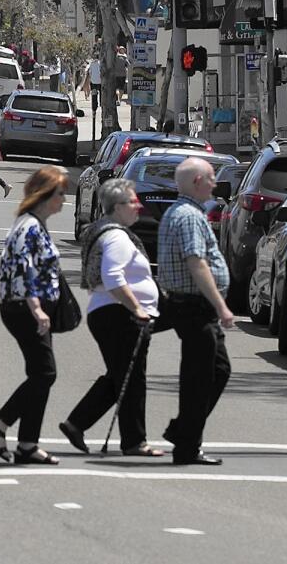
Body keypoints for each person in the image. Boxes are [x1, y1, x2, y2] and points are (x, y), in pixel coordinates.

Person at [59, 178, 163, 456]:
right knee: (132, 379)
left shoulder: (107, 230)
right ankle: (134, 441)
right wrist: (136, 308)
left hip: (112, 314)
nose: (138, 206)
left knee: (120, 377)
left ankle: (76, 423)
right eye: (132, 201)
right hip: (119, 316)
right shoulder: (115, 236)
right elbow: (113, 277)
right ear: (117, 207)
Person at [0, 166, 69, 465]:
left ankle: (28, 444)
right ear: (44, 195)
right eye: (59, 194)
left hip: (33, 307)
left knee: (40, 374)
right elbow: (23, 270)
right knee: (46, 372)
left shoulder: (36, 224)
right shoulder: (27, 226)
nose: (64, 200)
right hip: (24, 308)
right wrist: (37, 308)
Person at [156, 157, 234, 466]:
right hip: (194, 306)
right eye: (211, 178)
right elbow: (195, 262)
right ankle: (187, 446)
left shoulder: (185, 212)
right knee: (198, 377)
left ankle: (183, 431)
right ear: (198, 182)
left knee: (217, 370)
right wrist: (221, 305)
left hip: (193, 306)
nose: (215, 184)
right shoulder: (188, 216)